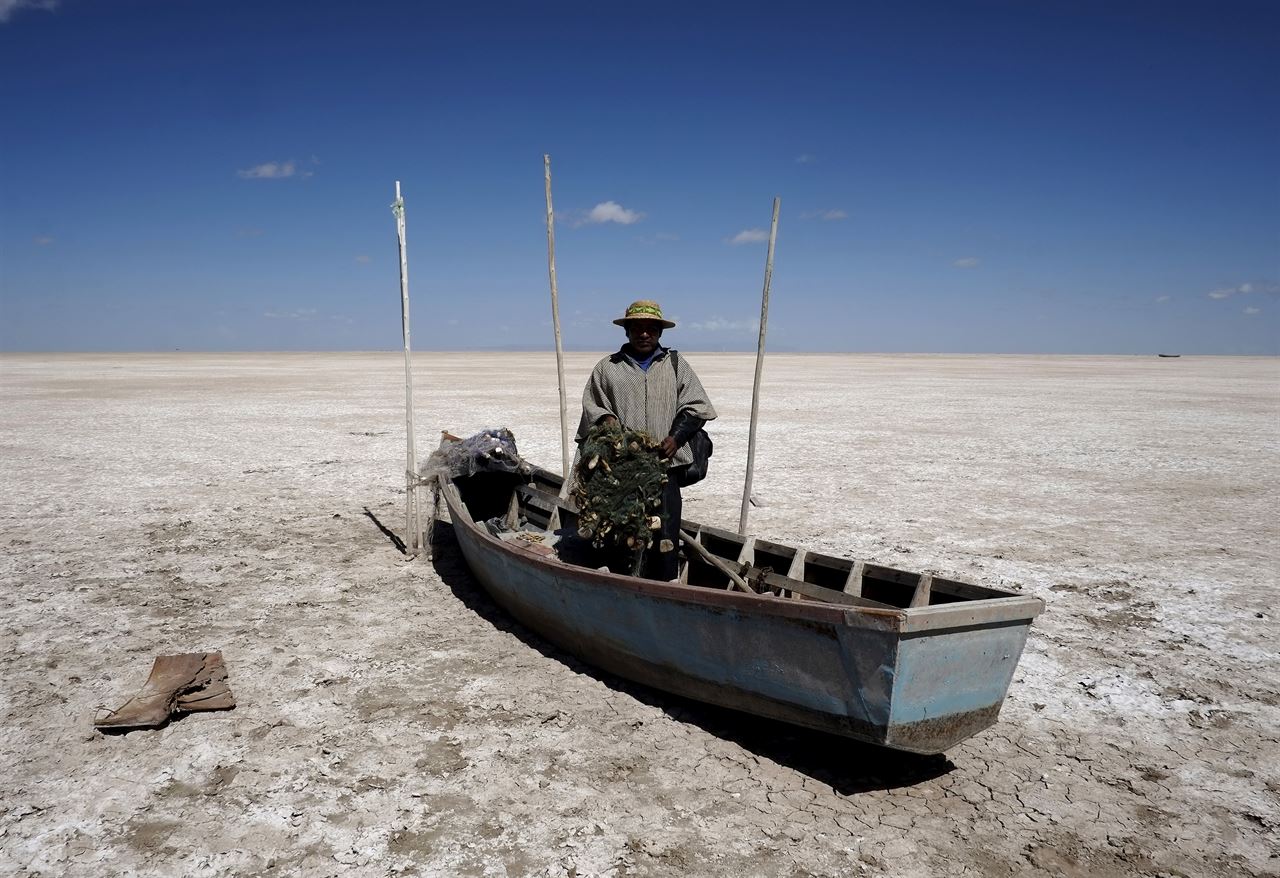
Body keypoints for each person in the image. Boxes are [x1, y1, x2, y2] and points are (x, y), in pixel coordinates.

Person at [577, 299, 717, 580]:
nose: (644, 334)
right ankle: (619, 582)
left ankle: (665, 585)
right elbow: (593, 408)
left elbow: (697, 406)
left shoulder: (676, 365)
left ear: (659, 333)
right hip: (621, 473)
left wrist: (676, 438)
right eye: (637, 328)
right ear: (626, 331)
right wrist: (607, 421)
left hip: (666, 469)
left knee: (665, 534)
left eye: (651, 329)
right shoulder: (607, 368)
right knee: (620, 531)